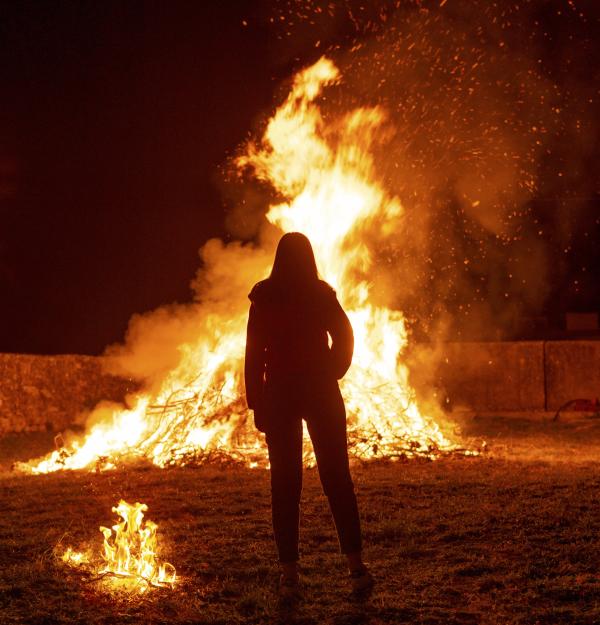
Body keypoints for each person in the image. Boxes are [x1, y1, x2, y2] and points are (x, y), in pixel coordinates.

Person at [244, 232, 373, 599]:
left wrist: (257, 403)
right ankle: (356, 568)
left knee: (284, 486)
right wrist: (333, 369)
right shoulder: (320, 292)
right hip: (320, 392)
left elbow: (254, 353)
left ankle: (289, 576)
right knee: (337, 478)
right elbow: (345, 334)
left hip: (281, 393)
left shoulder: (264, 296)